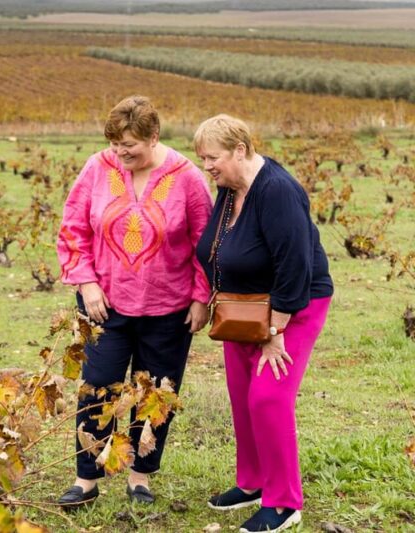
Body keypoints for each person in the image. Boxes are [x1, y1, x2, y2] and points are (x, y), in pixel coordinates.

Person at [56, 95, 213, 508]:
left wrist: (201, 298)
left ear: (154, 136)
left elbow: (206, 244)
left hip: (169, 308)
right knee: (97, 386)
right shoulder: (98, 167)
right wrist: (87, 284)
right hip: (103, 304)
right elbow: (73, 228)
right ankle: (86, 478)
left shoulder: (187, 177)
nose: (121, 153)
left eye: (130, 145)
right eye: (115, 145)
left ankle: (139, 476)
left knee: (156, 394)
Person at [193, 114, 333, 533]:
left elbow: (295, 267)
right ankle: (252, 482)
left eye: (212, 158)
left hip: (292, 308)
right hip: (241, 307)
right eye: (202, 159)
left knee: (268, 398)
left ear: (241, 150)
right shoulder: (230, 186)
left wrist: (275, 333)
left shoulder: (278, 192)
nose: (207, 167)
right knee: (242, 394)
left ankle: (285, 502)